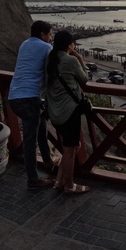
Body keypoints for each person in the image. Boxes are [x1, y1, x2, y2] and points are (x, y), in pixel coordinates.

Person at [8, 20, 56, 189]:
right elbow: (50, 74)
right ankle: (33, 180)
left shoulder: (24, 44)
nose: (50, 38)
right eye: (49, 34)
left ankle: (48, 161)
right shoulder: (46, 48)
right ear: (42, 35)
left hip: (14, 96)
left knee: (41, 125)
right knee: (30, 140)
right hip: (29, 98)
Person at [44, 30, 90, 194]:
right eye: (73, 43)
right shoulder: (70, 60)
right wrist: (80, 59)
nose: (75, 45)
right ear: (69, 44)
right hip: (69, 112)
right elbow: (84, 79)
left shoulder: (50, 57)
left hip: (54, 112)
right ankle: (69, 186)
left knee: (70, 147)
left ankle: (59, 181)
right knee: (70, 149)